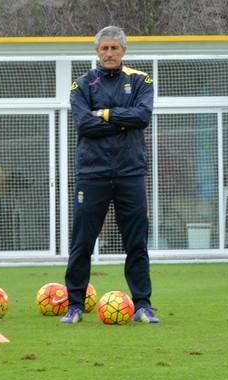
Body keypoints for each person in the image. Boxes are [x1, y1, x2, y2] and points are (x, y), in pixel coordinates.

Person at [61, 26, 159, 324]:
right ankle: (75, 305)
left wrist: (103, 114)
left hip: (130, 173)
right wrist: (122, 120)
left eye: (115, 48)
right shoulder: (82, 85)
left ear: (123, 51)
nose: (109, 53)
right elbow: (82, 125)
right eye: (104, 49)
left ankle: (142, 304)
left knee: (136, 243)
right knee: (82, 242)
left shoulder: (141, 80)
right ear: (97, 51)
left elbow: (142, 117)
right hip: (93, 174)